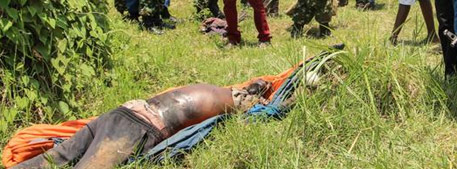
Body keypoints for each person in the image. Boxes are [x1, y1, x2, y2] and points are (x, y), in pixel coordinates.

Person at [14, 78, 270, 169]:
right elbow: (258, 108)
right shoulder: (227, 101)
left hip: (122, 111)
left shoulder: (211, 91)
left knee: (56, 157)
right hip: (137, 125)